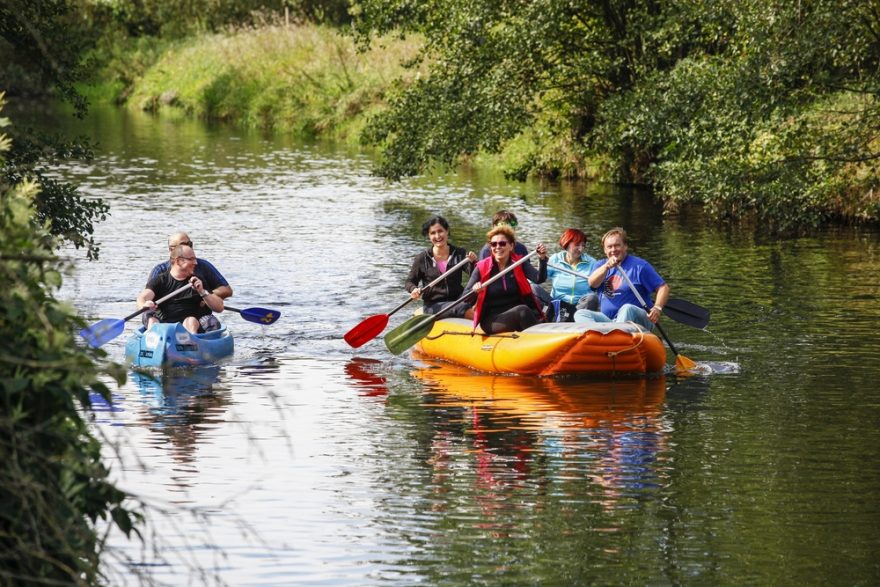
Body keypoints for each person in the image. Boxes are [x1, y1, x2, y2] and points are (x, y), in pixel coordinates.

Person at [573, 227, 669, 331]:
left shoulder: (640, 266)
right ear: (605, 250)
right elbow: (592, 283)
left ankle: (614, 336)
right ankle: (600, 336)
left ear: (625, 246)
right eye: (609, 247)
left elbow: (663, 287)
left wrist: (657, 308)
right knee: (581, 314)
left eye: (617, 245)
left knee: (627, 308)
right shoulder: (600, 266)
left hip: (639, 321)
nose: (613, 250)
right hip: (610, 321)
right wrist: (607, 267)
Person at [465, 226, 548, 334]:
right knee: (522, 311)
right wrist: (475, 291)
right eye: (494, 244)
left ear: (511, 246)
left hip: (516, 312)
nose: (497, 247)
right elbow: (465, 297)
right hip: (492, 319)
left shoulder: (519, 263)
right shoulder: (482, 267)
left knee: (524, 311)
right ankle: (538, 337)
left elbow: (539, 279)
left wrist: (542, 259)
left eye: (502, 243)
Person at [145, 232, 231, 330]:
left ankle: (191, 342)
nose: (195, 262)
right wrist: (146, 304)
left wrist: (204, 295)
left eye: (190, 244)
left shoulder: (199, 276)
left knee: (192, 321)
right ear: (172, 251)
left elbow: (224, 296)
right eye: (184, 245)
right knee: (150, 319)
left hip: (194, 318)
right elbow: (145, 296)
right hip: (166, 317)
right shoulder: (159, 274)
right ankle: (154, 337)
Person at [405, 215, 477, 317]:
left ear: (447, 231)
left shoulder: (460, 253)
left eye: (440, 231)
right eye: (433, 233)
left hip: (458, 298)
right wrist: (413, 289)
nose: (438, 236)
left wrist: (473, 262)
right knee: (462, 307)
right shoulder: (422, 258)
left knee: (480, 293)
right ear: (429, 236)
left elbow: (475, 274)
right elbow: (409, 281)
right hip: (433, 305)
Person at [546, 228, 598, 322]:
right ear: (567, 243)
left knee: (592, 298)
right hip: (558, 305)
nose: (581, 249)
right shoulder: (555, 259)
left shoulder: (592, 263)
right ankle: (543, 318)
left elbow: (598, 286)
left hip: (578, 308)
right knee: (533, 288)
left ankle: (576, 320)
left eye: (583, 245)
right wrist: (541, 261)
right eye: (577, 245)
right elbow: (539, 278)